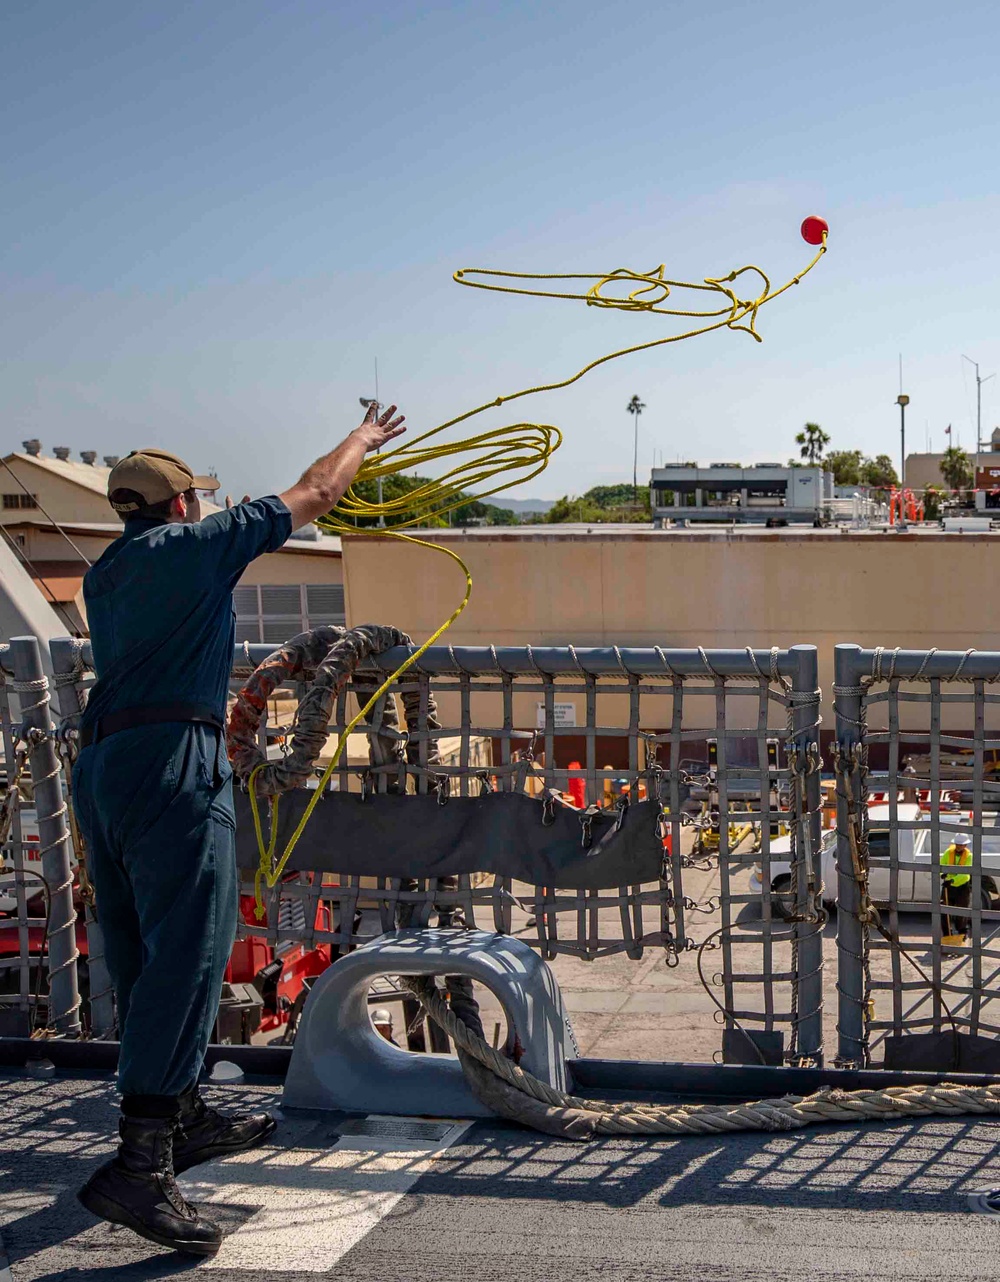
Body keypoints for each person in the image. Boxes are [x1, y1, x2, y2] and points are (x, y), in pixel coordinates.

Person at [74, 403, 406, 1256]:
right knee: (187, 954)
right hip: (172, 766)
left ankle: (179, 1114)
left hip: (107, 766)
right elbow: (319, 491)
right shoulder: (191, 550)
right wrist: (364, 440)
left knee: (145, 953)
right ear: (185, 505)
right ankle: (141, 1166)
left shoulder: (105, 572)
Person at [941, 831, 973, 951]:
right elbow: (941, 865)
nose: (959, 846)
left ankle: (961, 933)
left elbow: (966, 875)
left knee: (961, 912)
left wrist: (952, 880)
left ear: (965, 845)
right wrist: (943, 874)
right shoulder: (948, 853)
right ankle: (947, 934)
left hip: (962, 888)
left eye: (962, 845)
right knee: (944, 911)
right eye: (958, 844)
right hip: (948, 887)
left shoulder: (969, 856)